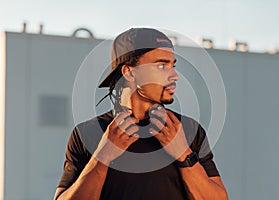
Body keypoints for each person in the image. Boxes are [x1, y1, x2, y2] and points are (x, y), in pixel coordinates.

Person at [53, 28, 228, 200]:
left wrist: (184, 155)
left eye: (172, 65)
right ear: (129, 72)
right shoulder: (87, 133)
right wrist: (102, 157)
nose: (175, 75)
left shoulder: (188, 130)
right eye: (161, 65)